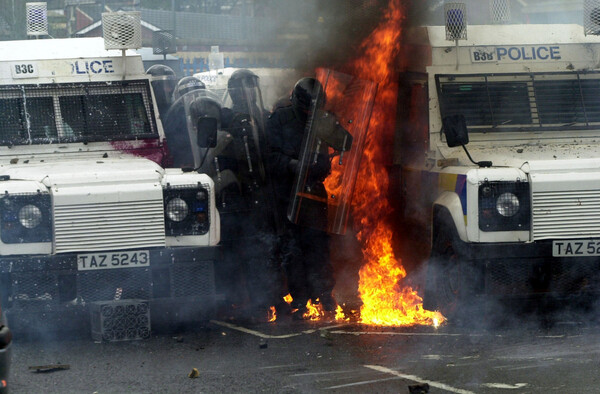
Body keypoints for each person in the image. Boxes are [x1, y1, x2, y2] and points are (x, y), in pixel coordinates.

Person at [214, 69, 287, 321]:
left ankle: (272, 297)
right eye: (240, 87)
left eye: (249, 87)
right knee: (245, 250)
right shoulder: (225, 120)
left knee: (270, 248)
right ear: (232, 91)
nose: (246, 92)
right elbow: (217, 157)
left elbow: (273, 153)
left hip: (266, 194)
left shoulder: (265, 118)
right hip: (240, 198)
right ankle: (249, 300)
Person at [265, 77, 336, 319]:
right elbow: (269, 157)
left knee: (318, 246)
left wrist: (318, 168)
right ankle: (300, 298)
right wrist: (292, 165)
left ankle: (324, 293)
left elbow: (328, 156)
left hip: (313, 194)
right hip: (287, 195)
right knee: (292, 249)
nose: (309, 113)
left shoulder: (321, 122)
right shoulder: (280, 120)